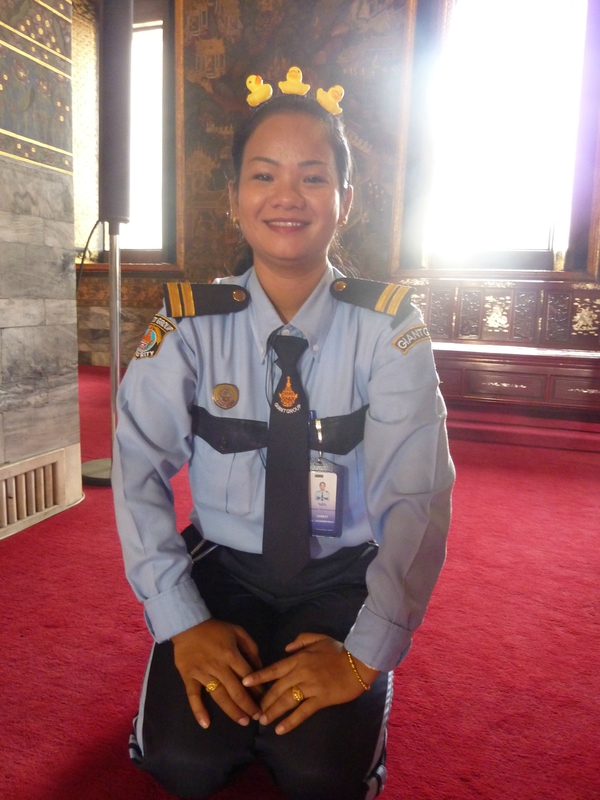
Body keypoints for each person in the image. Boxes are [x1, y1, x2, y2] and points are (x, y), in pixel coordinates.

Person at [112, 83, 455, 800]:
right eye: (264, 175)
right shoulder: (187, 326)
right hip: (227, 570)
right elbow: (137, 467)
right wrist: (180, 620)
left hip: (341, 574)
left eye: (313, 176)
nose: (286, 196)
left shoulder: (390, 331)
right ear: (235, 196)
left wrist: (364, 656)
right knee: (183, 760)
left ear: (345, 199)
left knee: (319, 774)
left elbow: (417, 498)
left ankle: (368, 701)